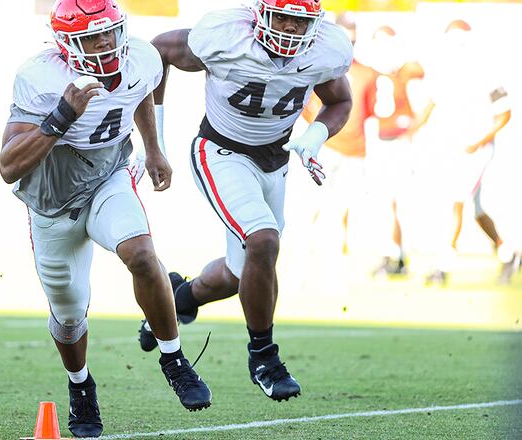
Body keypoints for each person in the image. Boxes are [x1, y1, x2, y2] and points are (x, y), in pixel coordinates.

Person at [0, 0, 212, 436]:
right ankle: (81, 386)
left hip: (107, 179)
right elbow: (8, 167)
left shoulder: (142, 56)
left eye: (108, 33)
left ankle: (173, 358)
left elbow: (140, 96)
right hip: (52, 202)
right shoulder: (39, 78)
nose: (104, 44)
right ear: (65, 45)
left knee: (141, 252)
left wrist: (153, 149)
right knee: (69, 311)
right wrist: (61, 117)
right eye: (90, 37)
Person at [138, 0, 353, 402]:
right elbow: (158, 52)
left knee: (240, 275)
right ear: (260, 15)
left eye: (300, 20)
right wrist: (155, 142)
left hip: (276, 159)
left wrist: (315, 136)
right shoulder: (229, 39)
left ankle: (178, 298)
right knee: (263, 241)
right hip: (220, 152)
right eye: (282, 17)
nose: (290, 28)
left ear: (315, 24)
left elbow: (339, 100)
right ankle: (264, 358)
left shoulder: (324, 50)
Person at [413, 20, 512, 285]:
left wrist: (480, 140)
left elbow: (504, 114)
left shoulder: (486, 72)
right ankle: (507, 252)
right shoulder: (443, 71)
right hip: (452, 148)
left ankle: (442, 267)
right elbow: (430, 105)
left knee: (455, 203)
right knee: (476, 210)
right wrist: (411, 132)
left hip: (477, 149)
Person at [302, 12, 378, 255]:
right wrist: (319, 129)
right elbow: (304, 105)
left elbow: (371, 113)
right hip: (327, 146)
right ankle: (307, 244)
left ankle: (343, 245)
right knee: (315, 198)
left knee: (348, 200)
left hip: (355, 149)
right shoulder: (320, 69)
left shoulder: (367, 73)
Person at [360, 25, 425, 276]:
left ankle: (399, 254)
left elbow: (420, 73)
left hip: (400, 141)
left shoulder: (405, 70)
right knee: (383, 201)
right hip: (380, 139)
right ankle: (392, 253)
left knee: (399, 200)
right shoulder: (370, 71)